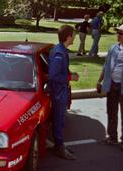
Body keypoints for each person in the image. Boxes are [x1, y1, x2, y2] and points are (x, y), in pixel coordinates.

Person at [49, 25, 79, 160]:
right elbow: (53, 76)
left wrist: (70, 73)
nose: (75, 37)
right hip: (58, 92)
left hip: (61, 90)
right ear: (68, 37)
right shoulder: (59, 53)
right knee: (59, 120)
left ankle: (60, 146)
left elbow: (60, 71)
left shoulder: (61, 50)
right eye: (74, 34)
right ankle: (59, 148)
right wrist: (69, 77)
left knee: (60, 120)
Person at [96, 24, 123, 151]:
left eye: (120, 33)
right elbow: (106, 66)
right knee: (111, 111)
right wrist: (99, 80)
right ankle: (112, 137)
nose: (117, 35)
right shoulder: (113, 48)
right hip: (112, 84)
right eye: (117, 33)